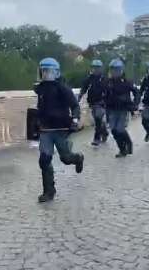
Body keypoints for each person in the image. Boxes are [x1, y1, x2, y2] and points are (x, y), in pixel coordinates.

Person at [34, 57, 84, 203]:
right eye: (43, 71)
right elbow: (40, 108)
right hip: (46, 130)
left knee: (66, 158)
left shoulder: (63, 88)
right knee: (44, 159)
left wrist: (75, 120)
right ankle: (49, 191)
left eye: (48, 71)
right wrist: (36, 122)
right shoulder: (41, 88)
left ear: (56, 72)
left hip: (61, 128)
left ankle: (78, 158)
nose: (46, 74)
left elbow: (75, 106)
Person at [105, 59, 139, 158]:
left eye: (116, 70)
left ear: (121, 70)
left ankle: (129, 143)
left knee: (120, 129)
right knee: (114, 130)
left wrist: (135, 105)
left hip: (123, 109)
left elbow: (136, 93)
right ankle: (122, 149)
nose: (114, 72)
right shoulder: (108, 82)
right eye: (113, 70)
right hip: (112, 109)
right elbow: (103, 94)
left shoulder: (127, 82)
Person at [78, 59, 109, 146]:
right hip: (92, 103)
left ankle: (97, 138)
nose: (95, 70)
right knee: (97, 120)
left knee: (98, 119)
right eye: (94, 68)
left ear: (101, 69)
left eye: (97, 68)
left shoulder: (104, 79)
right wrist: (79, 97)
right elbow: (83, 89)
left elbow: (109, 91)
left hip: (102, 103)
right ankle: (104, 132)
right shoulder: (89, 79)